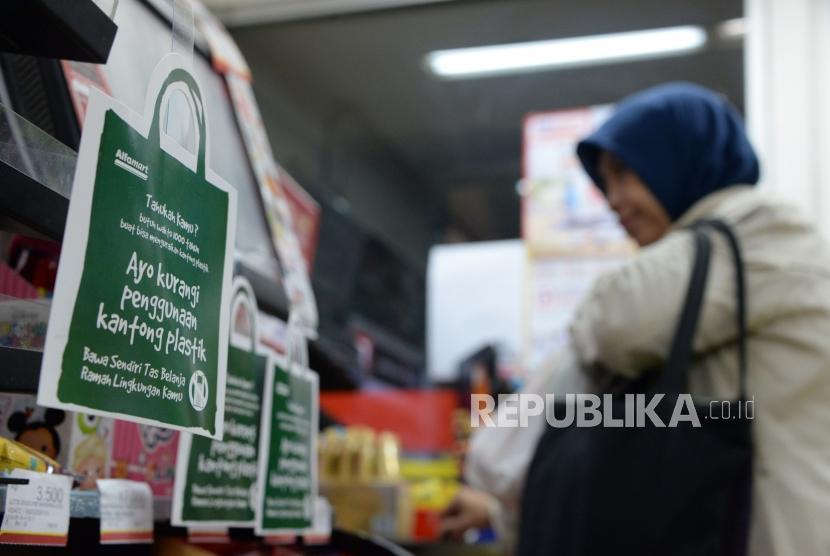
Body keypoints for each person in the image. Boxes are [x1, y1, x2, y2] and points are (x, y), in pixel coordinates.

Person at [445, 82, 830, 555]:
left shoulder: (757, 229)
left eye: (626, 174)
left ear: (683, 155)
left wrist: (582, 323)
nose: (614, 199)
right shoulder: (695, 276)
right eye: (605, 183)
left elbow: (614, 323)